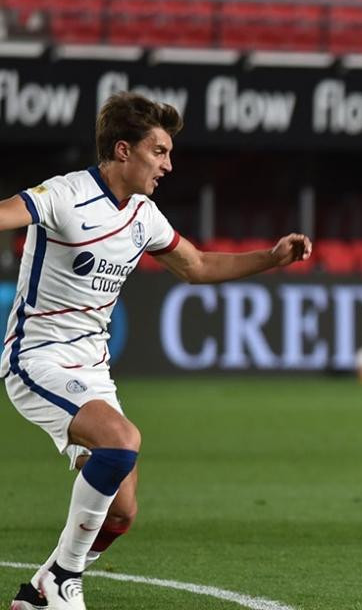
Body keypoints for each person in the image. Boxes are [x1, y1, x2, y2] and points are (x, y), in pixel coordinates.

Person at [1, 92, 312, 610]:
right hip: (37, 358)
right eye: (159, 151)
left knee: (121, 513)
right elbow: (7, 212)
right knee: (122, 442)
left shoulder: (144, 215)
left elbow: (197, 267)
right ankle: (62, 578)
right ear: (124, 150)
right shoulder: (64, 195)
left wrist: (272, 259)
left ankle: (39, 591)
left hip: (93, 370)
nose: (169, 164)